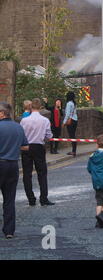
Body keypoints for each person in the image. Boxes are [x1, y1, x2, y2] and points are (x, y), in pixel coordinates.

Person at [0, 102, 29, 239]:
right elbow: (25, 147)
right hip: (13, 165)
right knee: (9, 199)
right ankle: (9, 231)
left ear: (2, 113)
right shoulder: (18, 127)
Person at [20, 98, 55, 207]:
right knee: (42, 173)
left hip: (26, 148)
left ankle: (31, 199)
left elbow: (20, 135)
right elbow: (49, 136)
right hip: (39, 147)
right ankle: (43, 199)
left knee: (27, 174)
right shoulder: (45, 120)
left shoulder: (24, 121)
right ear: (40, 107)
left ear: (31, 107)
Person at [63, 91, 78, 157]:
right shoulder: (74, 103)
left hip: (70, 121)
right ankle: (74, 150)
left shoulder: (69, 104)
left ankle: (73, 151)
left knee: (72, 136)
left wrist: (64, 122)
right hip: (75, 120)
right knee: (73, 135)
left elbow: (67, 114)